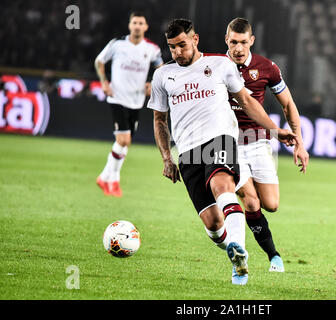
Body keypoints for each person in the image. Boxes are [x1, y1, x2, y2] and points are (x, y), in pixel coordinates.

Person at [147, 18, 298, 285]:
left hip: (220, 140)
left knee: (224, 187)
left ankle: (241, 260)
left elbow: (247, 101)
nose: (178, 52)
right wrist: (166, 158)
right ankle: (232, 247)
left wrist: (275, 130)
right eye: (172, 48)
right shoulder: (162, 75)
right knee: (214, 225)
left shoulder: (220, 65)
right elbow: (160, 120)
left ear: (195, 39)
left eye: (182, 45)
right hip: (188, 152)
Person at [225, 18, 309, 272]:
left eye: (242, 42)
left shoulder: (267, 68)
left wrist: (300, 144)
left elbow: (288, 105)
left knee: (270, 205)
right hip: (229, 144)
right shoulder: (217, 65)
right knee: (251, 202)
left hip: (259, 142)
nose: (237, 48)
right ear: (226, 40)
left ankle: (245, 215)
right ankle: (273, 256)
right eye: (232, 42)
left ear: (251, 41)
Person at [95, 12, 163, 197]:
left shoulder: (152, 49)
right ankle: (114, 179)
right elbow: (99, 61)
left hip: (136, 101)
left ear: (146, 27)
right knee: (123, 140)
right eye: (135, 22)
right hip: (117, 97)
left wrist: (153, 83)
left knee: (125, 143)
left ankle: (104, 177)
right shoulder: (117, 44)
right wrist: (103, 82)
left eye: (141, 23)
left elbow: (161, 69)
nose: (137, 26)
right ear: (129, 25)